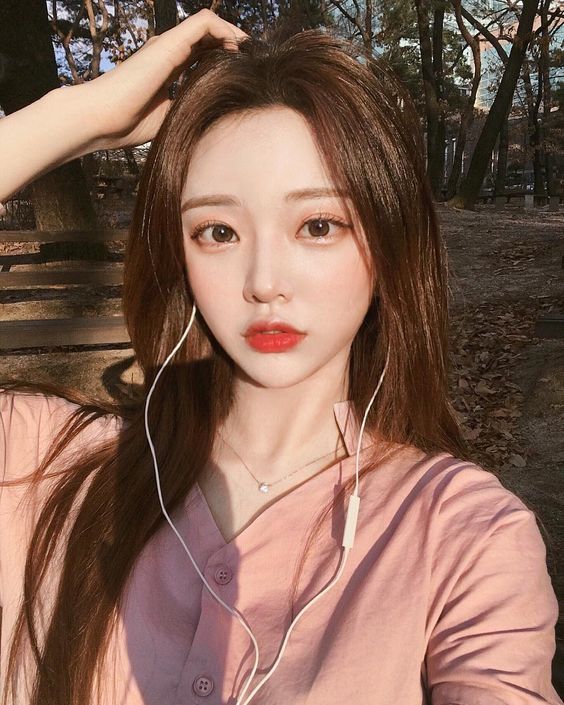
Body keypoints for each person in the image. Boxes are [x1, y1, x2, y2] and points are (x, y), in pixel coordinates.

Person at [0, 8, 561, 705]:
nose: (264, 281)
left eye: (318, 225)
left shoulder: (463, 536)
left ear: (388, 244)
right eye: (218, 231)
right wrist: (75, 117)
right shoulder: (46, 465)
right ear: (179, 255)